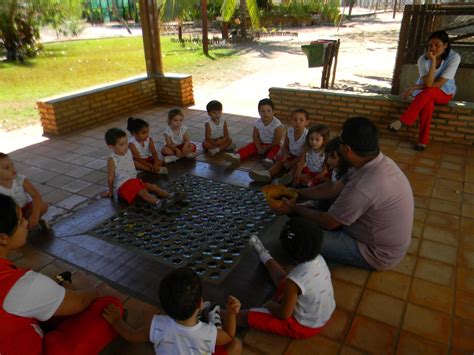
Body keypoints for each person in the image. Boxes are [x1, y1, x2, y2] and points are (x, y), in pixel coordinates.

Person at [274, 117, 414, 271]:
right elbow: (332, 188)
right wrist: (298, 193)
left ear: (347, 150)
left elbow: (329, 221)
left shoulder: (364, 185)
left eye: (340, 142)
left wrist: (295, 209)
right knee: (327, 201)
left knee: (297, 237)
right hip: (370, 231)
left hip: (374, 251)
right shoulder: (373, 161)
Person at [0, 194, 123, 354]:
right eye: (19, 220)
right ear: (3, 238)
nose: (25, 222)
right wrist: (95, 291)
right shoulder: (20, 286)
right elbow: (81, 301)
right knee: (108, 306)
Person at [102, 267, 242, 355]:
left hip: (162, 330)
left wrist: (116, 320)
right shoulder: (208, 333)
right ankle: (211, 317)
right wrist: (231, 313)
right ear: (200, 303)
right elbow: (229, 335)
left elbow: (131, 336)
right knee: (236, 344)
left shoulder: (156, 325)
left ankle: (209, 317)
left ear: (165, 307)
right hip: (207, 336)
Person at [234, 217, 335, 339]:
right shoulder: (319, 258)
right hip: (321, 314)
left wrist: (269, 305)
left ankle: (214, 312)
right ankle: (263, 254)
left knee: (249, 316)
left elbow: (284, 314)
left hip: (303, 327)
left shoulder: (294, 281)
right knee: (284, 280)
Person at [388, 30, 461, 151]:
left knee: (429, 92)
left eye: (437, 45)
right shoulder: (423, 59)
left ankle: (404, 120)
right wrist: (432, 62)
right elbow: (428, 83)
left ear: (446, 45)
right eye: (430, 45)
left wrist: (415, 87)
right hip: (426, 93)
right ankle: (422, 141)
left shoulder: (454, 58)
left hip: (444, 92)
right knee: (428, 105)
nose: (433, 48)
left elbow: (439, 84)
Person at [103, 128, 178, 209]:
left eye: (126, 143)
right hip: (123, 186)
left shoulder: (127, 151)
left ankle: (169, 195)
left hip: (133, 181)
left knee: (152, 186)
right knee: (143, 192)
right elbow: (110, 178)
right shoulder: (112, 159)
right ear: (111, 146)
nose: (125, 146)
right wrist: (111, 191)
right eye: (121, 144)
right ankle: (158, 202)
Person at [248, 108, 309, 184]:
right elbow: (285, 146)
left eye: (301, 120)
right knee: (279, 162)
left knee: (296, 167)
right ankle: (267, 174)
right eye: (295, 120)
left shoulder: (307, 135)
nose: (297, 122)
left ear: (306, 122)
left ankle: (286, 178)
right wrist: (285, 155)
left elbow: (304, 155)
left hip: (301, 159)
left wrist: (291, 162)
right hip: (291, 155)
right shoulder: (289, 131)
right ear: (290, 120)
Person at [223, 98, 283, 166]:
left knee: (277, 149)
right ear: (259, 112)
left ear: (273, 112)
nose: (265, 113)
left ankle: (269, 160)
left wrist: (267, 148)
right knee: (250, 146)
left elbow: (277, 140)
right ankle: (237, 156)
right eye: (262, 111)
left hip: (273, 144)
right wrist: (259, 147)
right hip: (261, 143)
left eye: (268, 111)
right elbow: (255, 137)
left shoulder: (277, 124)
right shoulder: (257, 123)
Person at [0, 153, 49, 232]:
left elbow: (36, 196)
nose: (13, 169)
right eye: (7, 168)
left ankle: (30, 223)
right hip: (11, 215)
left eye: (12, 165)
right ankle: (26, 227)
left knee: (43, 205)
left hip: (26, 208)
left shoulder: (19, 179)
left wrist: (35, 215)